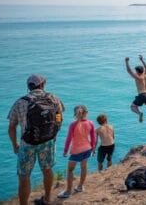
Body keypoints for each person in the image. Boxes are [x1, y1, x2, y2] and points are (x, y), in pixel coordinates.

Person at [7, 74, 65, 205]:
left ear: (29, 87)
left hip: (27, 144)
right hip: (48, 141)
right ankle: (47, 198)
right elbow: (59, 118)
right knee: (47, 169)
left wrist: (14, 144)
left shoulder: (20, 102)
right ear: (42, 85)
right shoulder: (53, 98)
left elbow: (11, 128)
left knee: (24, 177)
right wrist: (55, 133)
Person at [58, 105, 96, 199]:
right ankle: (80, 187)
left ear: (75, 114)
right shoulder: (90, 123)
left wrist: (65, 151)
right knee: (84, 167)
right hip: (87, 148)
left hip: (76, 151)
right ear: (86, 113)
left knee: (70, 170)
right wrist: (93, 149)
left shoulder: (73, 125)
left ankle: (68, 192)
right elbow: (93, 138)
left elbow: (68, 139)